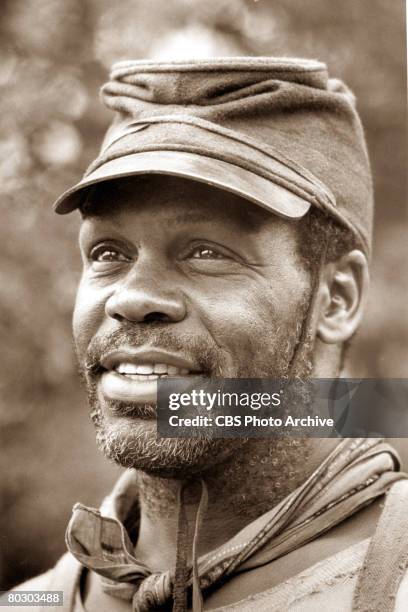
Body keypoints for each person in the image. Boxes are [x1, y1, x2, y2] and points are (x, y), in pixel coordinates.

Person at [8, 57, 408, 611]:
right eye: (108, 253)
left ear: (336, 298)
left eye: (206, 252)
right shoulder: (32, 604)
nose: (131, 297)